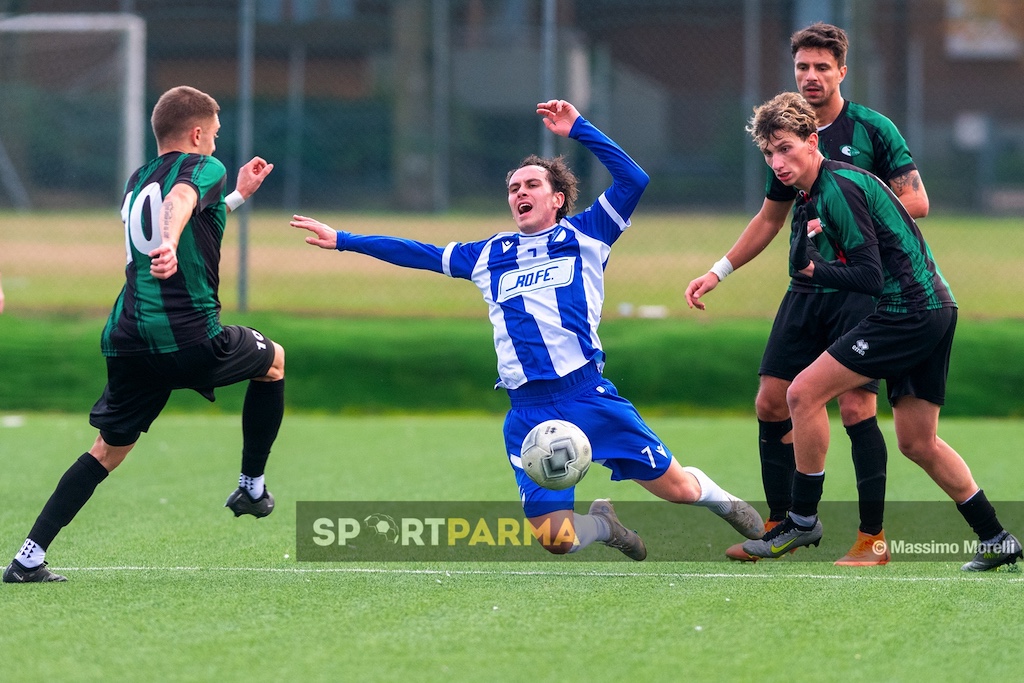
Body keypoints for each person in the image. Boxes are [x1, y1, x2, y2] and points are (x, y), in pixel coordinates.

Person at [290, 99, 764, 560]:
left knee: (678, 489)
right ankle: (604, 526)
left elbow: (633, 179)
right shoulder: (488, 254)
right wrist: (345, 241)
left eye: (531, 184)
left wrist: (579, 128)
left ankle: (727, 504)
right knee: (555, 541)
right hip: (528, 411)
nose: (519, 192)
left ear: (556, 199)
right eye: (514, 187)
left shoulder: (588, 234)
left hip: (587, 394)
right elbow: (419, 252)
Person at [3, 86, 285, 583]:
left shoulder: (137, 182)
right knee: (274, 360)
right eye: (215, 136)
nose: (217, 147)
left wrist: (239, 195)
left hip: (127, 339)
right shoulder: (203, 170)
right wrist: (170, 245)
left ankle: (27, 558)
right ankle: (251, 486)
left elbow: (187, 213)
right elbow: (181, 203)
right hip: (189, 336)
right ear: (197, 134)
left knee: (107, 451)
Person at [736, 91, 1021, 572]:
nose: (777, 162)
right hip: (936, 307)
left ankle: (802, 518)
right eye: (768, 153)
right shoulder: (820, 191)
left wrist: (814, 272)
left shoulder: (838, 188)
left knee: (802, 393)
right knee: (918, 441)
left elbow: (868, 277)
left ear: (812, 141)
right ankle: (995, 536)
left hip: (907, 310)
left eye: (785, 148)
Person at [684, 22, 929, 566]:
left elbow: (916, 202)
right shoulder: (784, 133)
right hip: (807, 286)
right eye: (802, 67)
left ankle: (871, 539)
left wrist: (850, 220)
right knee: (772, 398)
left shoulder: (873, 130)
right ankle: (781, 525)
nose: (811, 76)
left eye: (822, 67)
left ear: (843, 70)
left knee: (855, 403)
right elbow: (770, 219)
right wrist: (718, 271)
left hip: (861, 288)